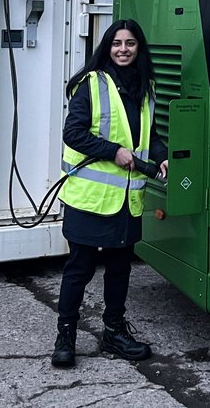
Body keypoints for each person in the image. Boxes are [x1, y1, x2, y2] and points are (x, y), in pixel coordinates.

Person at [50, 19, 168, 369]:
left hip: (127, 200)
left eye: (130, 43)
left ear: (139, 48)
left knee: (119, 269)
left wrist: (161, 157)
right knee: (79, 269)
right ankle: (65, 336)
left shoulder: (145, 88)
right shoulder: (92, 84)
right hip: (89, 199)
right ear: (107, 46)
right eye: (117, 43)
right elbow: (73, 133)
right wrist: (113, 151)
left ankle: (114, 332)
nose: (123, 49)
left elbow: (150, 135)